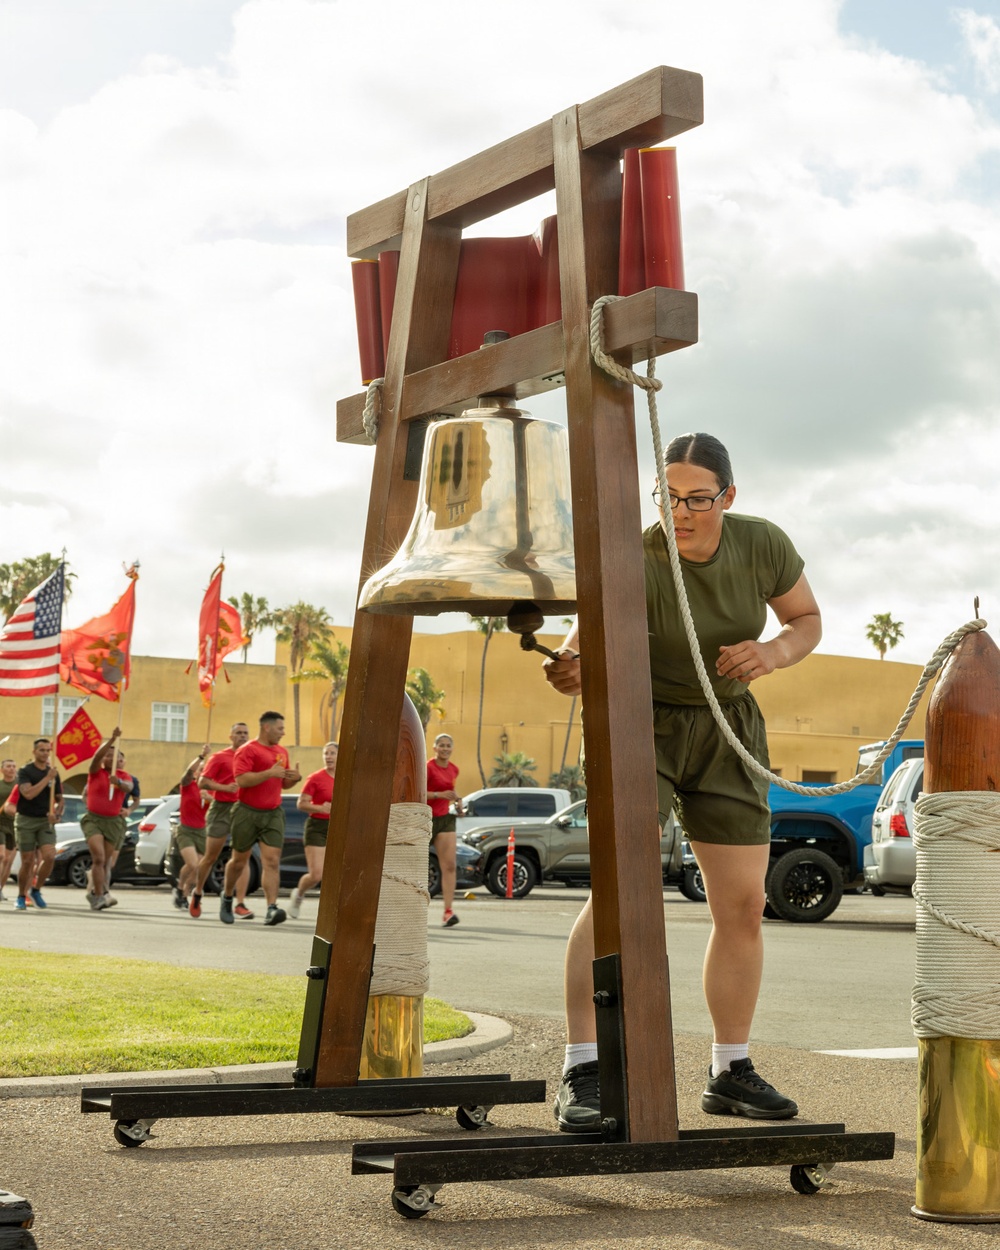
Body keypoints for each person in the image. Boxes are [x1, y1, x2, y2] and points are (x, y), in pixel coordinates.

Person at [544, 432, 821, 1132]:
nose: (682, 512)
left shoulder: (762, 544)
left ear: (729, 496)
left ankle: (730, 1069)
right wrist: (571, 666)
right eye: (667, 498)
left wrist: (772, 652)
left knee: (744, 905)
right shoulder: (633, 556)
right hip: (643, 723)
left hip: (728, 727)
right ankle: (583, 1067)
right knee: (618, 894)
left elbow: (805, 621)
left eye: (698, 498)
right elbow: (579, 646)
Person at [221, 711, 300, 927]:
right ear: (267, 727)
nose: (283, 733)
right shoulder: (248, 750)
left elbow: (282, 783)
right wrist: (269, 773)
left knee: (272, 861)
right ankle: (227, 897)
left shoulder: (282, 752)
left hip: (273, 812)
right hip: (246, 812)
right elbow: (242, 780)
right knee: (239, 860)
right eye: (280, 728)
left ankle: (271, 908)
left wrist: (294, 779)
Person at [188, 722, 253, 920]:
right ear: (231, 736)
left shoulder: (252, 757)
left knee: (242, 858)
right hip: (221, 809)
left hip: (243, 809)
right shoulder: (219, 757)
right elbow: (202, 782)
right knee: (210, 856)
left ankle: (238, 903)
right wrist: (225, 788)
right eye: (238, 733)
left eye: (245, 733)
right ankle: (198, 892)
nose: (242, 736)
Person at [82, 727, 134, 911]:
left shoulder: (123, 776)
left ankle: (97, 893)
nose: (112, 759)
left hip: (113, 822)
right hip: (94, 820)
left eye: (116, 756)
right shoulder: (96, 772)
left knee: (106, 862)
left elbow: (128, 787)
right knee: (99, 858)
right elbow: (96, 757)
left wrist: (118, 783)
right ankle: (99, 896)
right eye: (108, 756)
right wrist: (112, 740)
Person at [288, 740, 337, 920]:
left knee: (339, 874)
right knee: (316, 874)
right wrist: (319, 808)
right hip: (317, 827)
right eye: (326, 753)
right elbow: (301, 804)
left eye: (332, 753)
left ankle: (333, 913)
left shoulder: (348, 778)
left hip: (339, 829)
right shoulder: (316, 778)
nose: (328, 757)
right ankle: (299, 895)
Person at [12, 738, 64, 910]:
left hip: (44, 821)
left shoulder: (54, 772)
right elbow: (28, 794)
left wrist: (56, 814)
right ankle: (21, 895)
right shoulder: (25, 771)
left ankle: (36, 889)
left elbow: (60, 799)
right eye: (41, 750)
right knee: (27, 861)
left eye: (47, 750)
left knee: (49, 856)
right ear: (34, 752)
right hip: (26, 819)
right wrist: (46, 779)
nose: (45, 753)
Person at [426, 733, 463, 928]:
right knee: (414, 866)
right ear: (434, 747)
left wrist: (458, 804)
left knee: (449, 865)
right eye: (441, 745)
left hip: (444, 819)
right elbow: (415, 792)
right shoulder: (427, 768)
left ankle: (448, 911)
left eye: (448, 745)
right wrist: (437, 794)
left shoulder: (454, 770)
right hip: (424, 819)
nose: (445, 748)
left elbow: (451, 793)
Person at [172, 746, 210, 908]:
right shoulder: (188, 785)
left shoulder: (211, 791)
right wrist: (201, 756)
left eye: (206, 771)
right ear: (197, 773)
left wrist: (211, 799)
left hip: (202, 831)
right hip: (186, 829)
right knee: (193, 863)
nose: (203, 773)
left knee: (199, 869)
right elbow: (188, 772)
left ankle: (185, 896)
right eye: (201, 770)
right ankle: (179, 889)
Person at [0, 757, 18, 902]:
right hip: (0, 823)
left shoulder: (20, 785)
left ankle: (1, 888)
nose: (11, 768)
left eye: (13, 766)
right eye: (8, 766)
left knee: (8, 861)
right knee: (1, 856)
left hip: (15, 824)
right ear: (2, 769)